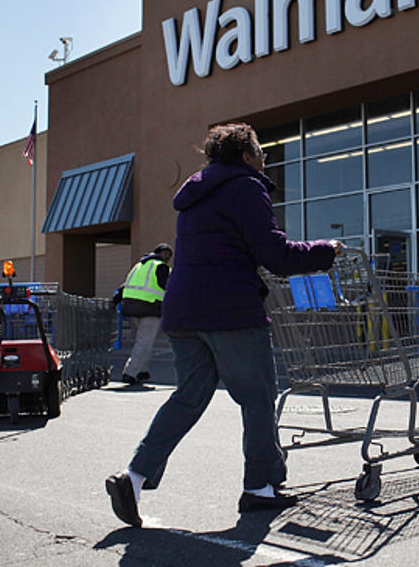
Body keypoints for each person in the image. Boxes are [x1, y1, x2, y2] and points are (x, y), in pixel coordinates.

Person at [105, 122, 343, 527]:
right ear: (247, 155)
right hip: (230, 310)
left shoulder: (196, 193)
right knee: (257, 397)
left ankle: (134, 476)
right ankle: (260, 488)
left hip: (183, 311)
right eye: (262, 153)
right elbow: (275, 253)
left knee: (188, 396)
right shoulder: (247, 187)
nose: (265, 160)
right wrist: (325, 250)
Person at [118, 243, 173, 385]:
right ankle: (130, 372)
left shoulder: (139, 266)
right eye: (166, 254)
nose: (167, 257)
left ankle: (142, 370)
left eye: (169, 255)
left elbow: (125, 285)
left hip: (132, 307)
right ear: (159, 253)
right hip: (150, 307)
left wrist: (115, 301)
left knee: (144, 341)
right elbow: (166, 286)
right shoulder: (161, 267)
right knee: (145, 342)